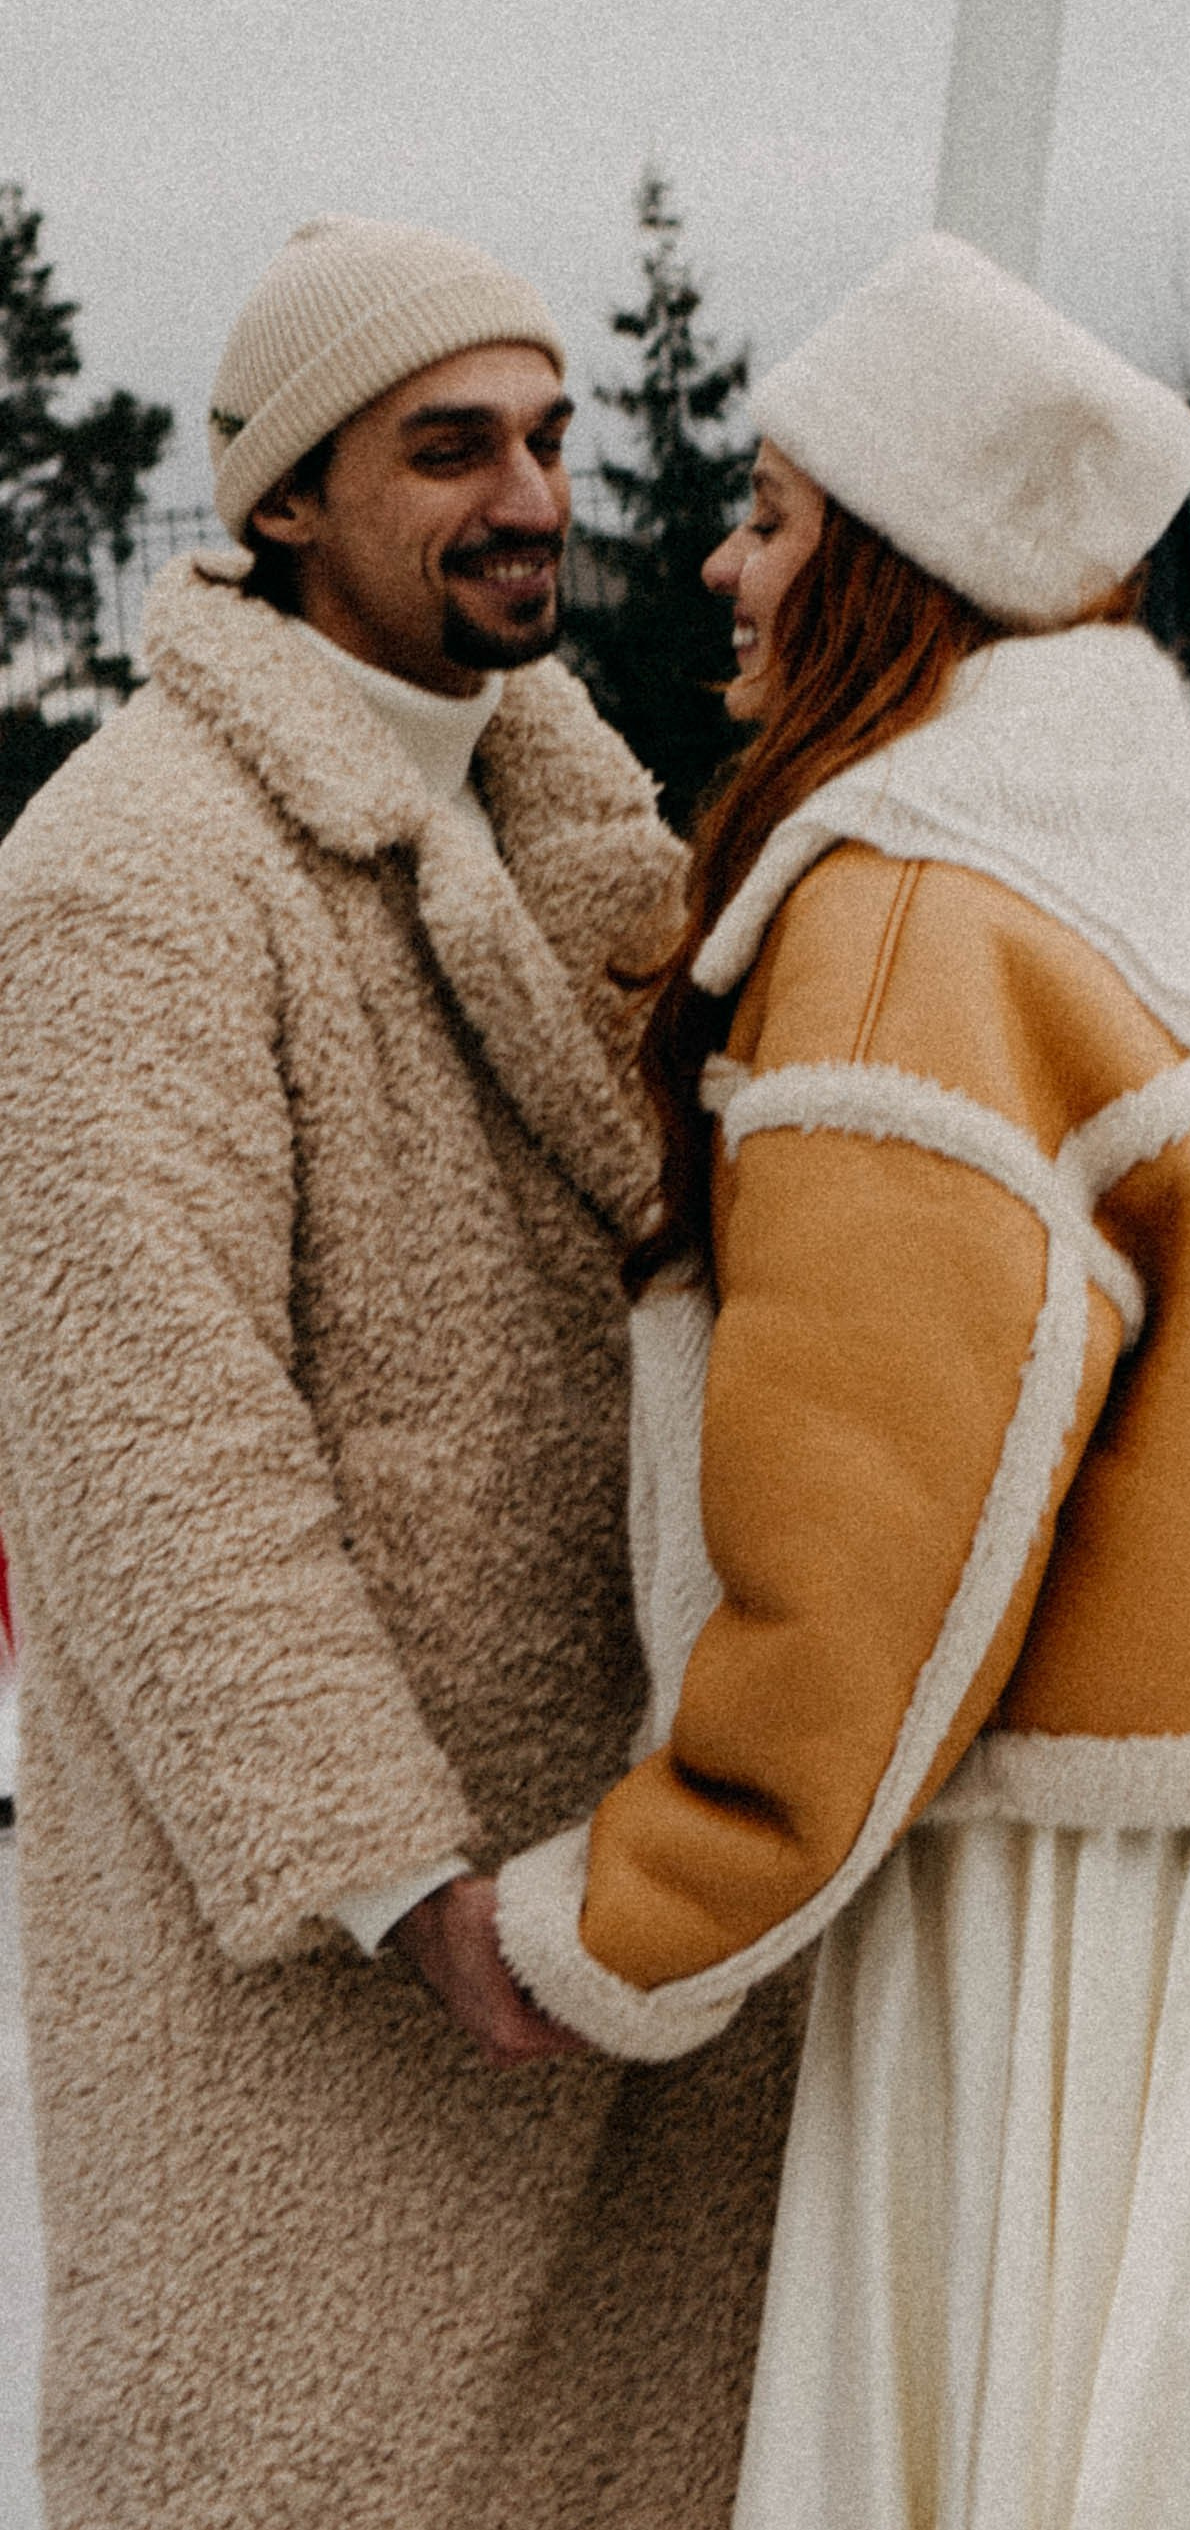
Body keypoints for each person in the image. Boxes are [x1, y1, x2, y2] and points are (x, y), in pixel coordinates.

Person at [496, 229, 1190, 2530]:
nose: (720, 563)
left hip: (1038, 1915)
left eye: (775, 515)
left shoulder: (908, 917)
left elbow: (869, 1561)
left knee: (992, 2449)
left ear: (894, 565)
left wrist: (619, 1919)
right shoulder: (1168, 866)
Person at [0, 215, 798, 2530]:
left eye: (548, 435)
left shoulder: (573, 833)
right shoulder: (126, 872)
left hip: (628, 1902)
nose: (529, 492)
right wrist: (390, 1873)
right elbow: (146, 1439)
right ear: (281, 504)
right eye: (447, 447)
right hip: (351, 1991)